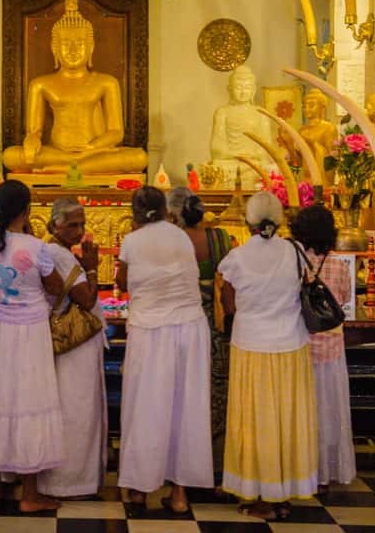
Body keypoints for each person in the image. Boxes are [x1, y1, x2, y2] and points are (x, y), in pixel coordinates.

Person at [219, 191, 318, 520]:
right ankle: (283, 492)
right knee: (285, 418)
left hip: (251, 345)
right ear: (279, 220)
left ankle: (260, 494)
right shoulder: (294, 251)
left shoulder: (237, 257)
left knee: (256, 420)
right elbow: (304, 286)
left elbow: (228, 300)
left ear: (247, 223)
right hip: (290, 343)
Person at [0, 180, 66, 513]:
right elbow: (56, 286)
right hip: (29, 336)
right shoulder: (35, 247)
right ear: (27, 210)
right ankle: (30, 494)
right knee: (29, 403)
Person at [116, 186, 213, 513]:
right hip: (190, 327)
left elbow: (121, 282)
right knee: (186, 405)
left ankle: (140, 490)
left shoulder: (132, 241)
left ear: (135, 212)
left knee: (145, 405)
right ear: (165, 210)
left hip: (150, 329)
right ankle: (180, 493)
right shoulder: (181, 236)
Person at [38, 198, 106, 498]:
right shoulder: (60, 255)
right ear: (54, 226)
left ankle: (64, 479)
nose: (79, 231)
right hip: (74, 345)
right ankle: (73, 480)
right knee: (78, 410)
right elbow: (87, 299)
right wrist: (91, 269)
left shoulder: (56, 251)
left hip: (67, 345)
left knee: (72, 407)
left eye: (82, 224)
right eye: (72, 225)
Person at [169, 187, 233, 486]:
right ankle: (216, 464)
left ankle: (182, 463)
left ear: (173, 214)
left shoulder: (173, 243)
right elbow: (231, 281)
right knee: (216, 391)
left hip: (181, 325)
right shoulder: (219, 239)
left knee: (182, 393)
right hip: (217, 327)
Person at [290, 205, 356, 492]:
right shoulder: (339, 266)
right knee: (329, 412)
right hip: (331, 349)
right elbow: (343, 299)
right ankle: (326, 472)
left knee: (301, 412)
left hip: (300, 347)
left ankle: (299, 468)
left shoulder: (294, 264)